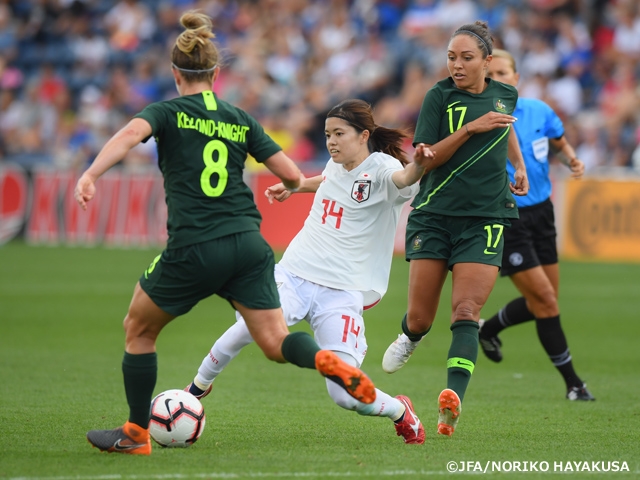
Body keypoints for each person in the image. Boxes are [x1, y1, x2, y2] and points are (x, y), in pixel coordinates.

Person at [73, 11, 376, 456]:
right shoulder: (239, 118)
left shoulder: (167, 111)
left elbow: (131, 133)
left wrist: (91, 174)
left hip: (195, 244)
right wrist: (291, 186)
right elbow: (292, 174)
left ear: (176, 73)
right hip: (250, 247)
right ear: (215, 74)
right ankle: (321, 359)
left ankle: (136, 434)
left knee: (138, 330)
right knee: (274, 342)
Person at [186, 98, 435, 445]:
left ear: (364, 135)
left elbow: (403, 177)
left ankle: (399, 411)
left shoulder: (380, 168)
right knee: (247, 328)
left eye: (339, 133)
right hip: (293, 274)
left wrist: (420, 165)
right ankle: (196, 389)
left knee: (346, 396)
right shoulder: (338, 164)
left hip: (342, 292)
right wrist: (296, 186)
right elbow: (330, 179)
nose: (331, 141)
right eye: (327, 134)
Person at [380, 21, 529, 437]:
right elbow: (425, 160)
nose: (457, 65)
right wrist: (468, 130)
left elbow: (506, 123)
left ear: (487, 61)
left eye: (466, 58)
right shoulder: (439, 96)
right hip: (434, 215)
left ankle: (452, 400)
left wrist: (516, 164)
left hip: (486, 219)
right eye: (451, 57)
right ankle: (410, 335)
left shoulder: (506, 94)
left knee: (466, 312)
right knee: (422, 319)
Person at [480, 48, 594, 401]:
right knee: (544, 299)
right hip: (507, 216)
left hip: (542, 213)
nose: (496, 80)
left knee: (546, 301)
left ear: (516, 78)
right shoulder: (482, 118)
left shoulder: (539, 111)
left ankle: (489, 329)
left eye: (503, 73)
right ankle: (574, 384)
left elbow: (559, 142)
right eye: (491, 75)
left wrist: (573, 159)